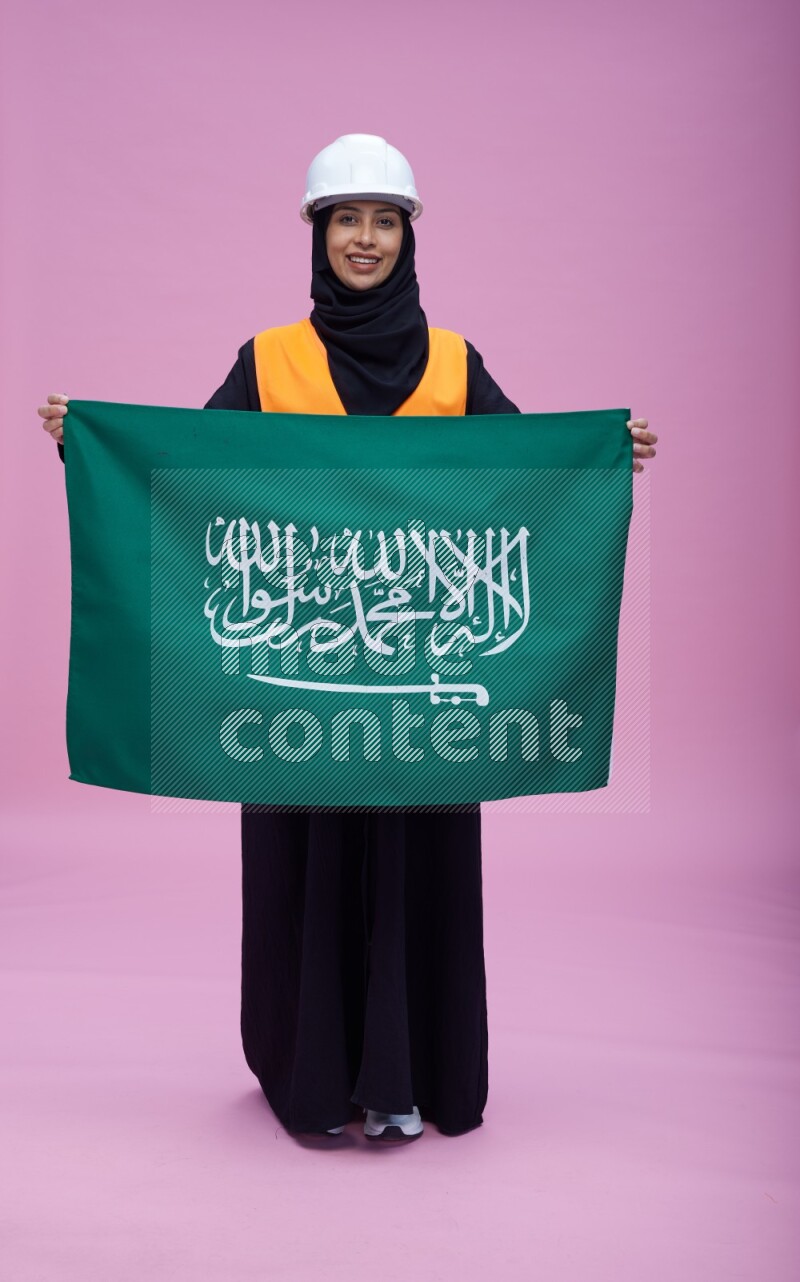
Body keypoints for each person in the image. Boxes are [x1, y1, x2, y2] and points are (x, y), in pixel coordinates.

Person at [38, 133, 658, 1144]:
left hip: (426, 695)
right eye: (345, 219)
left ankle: (412, 1077)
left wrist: (600, 458)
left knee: (420, 868)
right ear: (317, 234)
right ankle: (314, 1079)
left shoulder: (453, 360)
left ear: (407, 235)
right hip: (300, 686)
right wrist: (93, 441)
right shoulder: (271, 358)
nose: (362, 238)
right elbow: (191, 478)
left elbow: (519, 474)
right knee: (310, 869)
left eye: (382, 219)